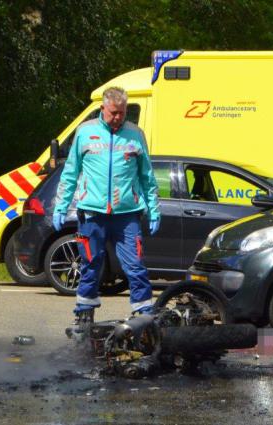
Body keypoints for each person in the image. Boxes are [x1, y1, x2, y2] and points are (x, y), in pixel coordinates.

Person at [53, 86, 161, 336]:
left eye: (122, 113)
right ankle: (84, 314)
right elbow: (70, 173)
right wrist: (61, 207)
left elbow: (147, 175)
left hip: (127, 214)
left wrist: (154, 210)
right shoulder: (85, 132)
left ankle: (144, 317)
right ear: (103, 108)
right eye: (114, 113)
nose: (118, 118)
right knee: (91, 265)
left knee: (135, 266)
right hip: (92, 214)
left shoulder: (135, 135)